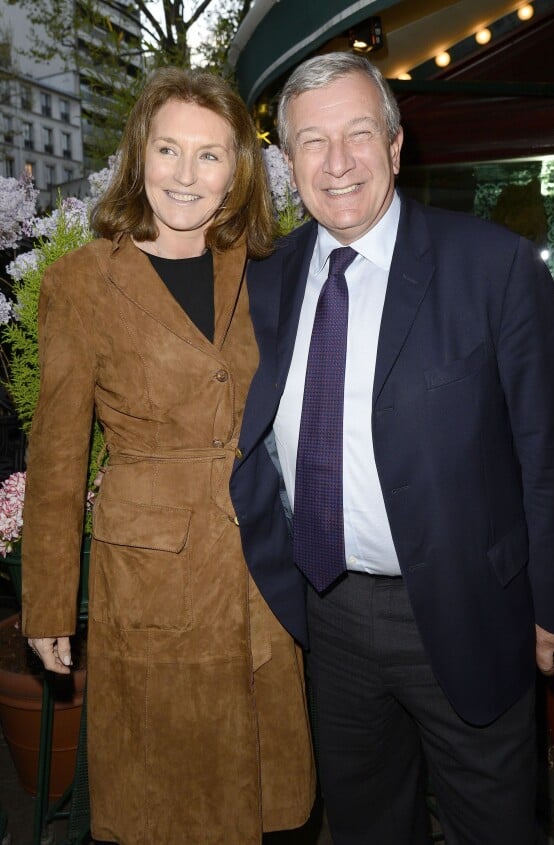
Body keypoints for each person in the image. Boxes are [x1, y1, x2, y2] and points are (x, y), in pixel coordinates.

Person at [230, 51, 554, 845]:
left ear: (394, 145)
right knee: (365, 826)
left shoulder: (491, 267)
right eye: (314, 142)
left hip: (466, 609)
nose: (339, 160)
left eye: (359, 133)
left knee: (492, 826)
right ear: (289, 163)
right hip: (325, 616)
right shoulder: (268, 281)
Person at [21, 67, 315, 845]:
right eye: (169, 150)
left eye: (210, 155)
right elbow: (55, 454)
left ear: (236, 173)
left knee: (271, 797)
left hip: (259, 560)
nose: (186, 176)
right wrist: (49, 601)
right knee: (166, 797)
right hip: (152, 573)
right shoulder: (80, 284)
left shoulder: (266, 269)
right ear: (138, 156)